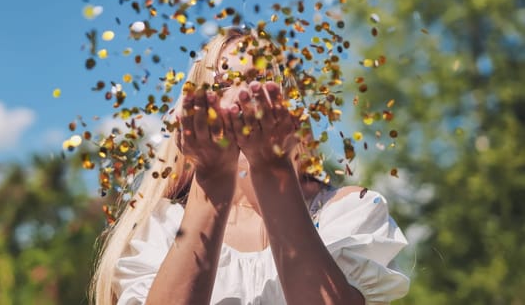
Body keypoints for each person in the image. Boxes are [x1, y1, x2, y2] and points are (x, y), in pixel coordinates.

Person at [90, 27, 410, 305]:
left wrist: (273, 172)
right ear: (196, 113)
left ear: (295, 111)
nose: (244, 98)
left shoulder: (346, 213)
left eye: (262, 82)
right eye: (224, 83)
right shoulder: (163, 227)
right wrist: (212, 182)